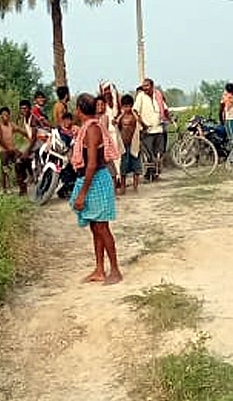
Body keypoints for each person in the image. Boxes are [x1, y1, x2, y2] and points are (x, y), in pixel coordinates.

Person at [69, 93, 122, 284]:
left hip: (96, 180)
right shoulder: (89, 127)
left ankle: (115, 270)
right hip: (91, 179)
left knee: (102, 227)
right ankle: (100, 269)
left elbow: (91, 164)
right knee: (95, 226)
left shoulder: (91, 130)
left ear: (79, 110)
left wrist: (82, 193)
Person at [134, 78, 170, 181]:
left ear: (152, 86)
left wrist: (169, 119)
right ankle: (150, 174)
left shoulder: (158, 95)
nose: (145, 88)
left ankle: (156, 173)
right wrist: (142, 124)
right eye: (143, 86)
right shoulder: (141, 96)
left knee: (159, 153)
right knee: (149, 155)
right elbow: (135, 111)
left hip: (159, 129)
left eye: (147, 86)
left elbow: (165, 109)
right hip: (147, 130)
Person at [116, 94, 142, 194]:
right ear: (122, 106)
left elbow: (141, 124)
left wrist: (135, 114)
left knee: (136, 165)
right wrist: (121, 115)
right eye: (125, 106)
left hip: (134, 143)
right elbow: (115, 124)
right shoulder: (121, 117)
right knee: (123, 166)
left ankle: (135, 187)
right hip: (123, 145)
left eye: (129, 106)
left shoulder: (134, 117)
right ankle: (123, 187)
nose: (127, 108)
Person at [0, 106, 20, 193]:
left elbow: (20, 130)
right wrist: (7, 148)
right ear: (0, 116)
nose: (5, 116)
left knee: (18, 164)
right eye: (3, 115)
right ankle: (4, 188)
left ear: (9, 116)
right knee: (4, 169)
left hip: (12, 149)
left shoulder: (11, 124)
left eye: (7, 115)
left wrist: (28, 135)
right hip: (3, 150)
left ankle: (18, 185)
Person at [15, 99, 35, 196]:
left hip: (38, 142)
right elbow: (28, 135)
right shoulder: (24, 119)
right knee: (17, 160)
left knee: (23, 158)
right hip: (30, 142)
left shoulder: (33, 119)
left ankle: (30, 175)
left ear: (29, 109)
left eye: (25, 108)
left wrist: (27, 150)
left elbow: (34, 138)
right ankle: (23, 188)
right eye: (22, 108)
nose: (23, 110)